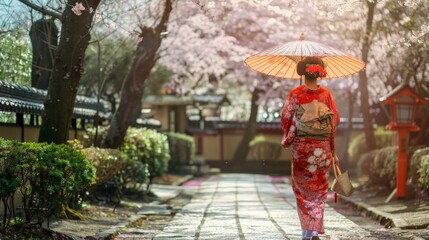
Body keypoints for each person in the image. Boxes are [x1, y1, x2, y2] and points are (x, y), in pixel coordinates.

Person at [280, 57, 340, 240]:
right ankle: (313, 230)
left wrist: (293, 128)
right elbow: (334, 121)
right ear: (319, 73)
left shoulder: (296, 93)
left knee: (302, 189)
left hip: (302, 150)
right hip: (321, 150)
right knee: (319, 190)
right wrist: (333, 151)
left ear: (303, 73)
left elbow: (285, 117)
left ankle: (307, 232)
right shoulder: (326, 95)